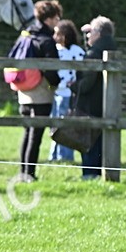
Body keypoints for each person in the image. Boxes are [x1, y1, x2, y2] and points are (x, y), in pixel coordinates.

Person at [12, 0, 63, 181]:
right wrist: (57, 82)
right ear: (49, 18)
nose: (58, 21)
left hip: (23, 91)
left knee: (27, 133)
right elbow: (51, 69)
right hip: (41, 93)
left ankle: (23, 172)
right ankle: (30, 174)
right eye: (57, 17)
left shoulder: (26, 34)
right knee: (36, 136)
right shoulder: (46, 40)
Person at [72, 16, 116, 179]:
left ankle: (90, 174)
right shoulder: (113, 49)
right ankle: (100, 173)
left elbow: (87, 84)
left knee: (89, 142)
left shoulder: (93, 53)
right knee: (102, 141)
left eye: (90, 32)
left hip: (90, 105)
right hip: (107, 104)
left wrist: (73, 85)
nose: (88, 36)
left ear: (98, 33)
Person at [48, 19, 85, 163]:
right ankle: (54, 155)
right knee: (55, 126)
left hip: (68, 94)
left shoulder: (76, 51)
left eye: (58, 34)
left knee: (65, 126)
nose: (55, 37)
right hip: (55, 93)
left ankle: (65, 156)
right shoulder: (55, 50)